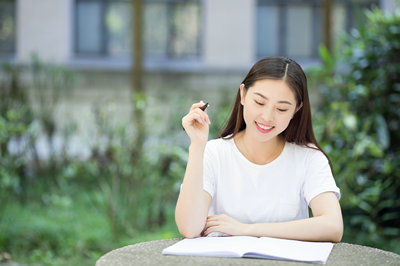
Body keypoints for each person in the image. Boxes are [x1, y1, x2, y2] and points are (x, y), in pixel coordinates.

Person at [176, 56, 343, 242]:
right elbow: (189, 228)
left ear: (296, 110)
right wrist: (198, 146)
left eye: (281, 109)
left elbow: (333, 226)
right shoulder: (213, 153)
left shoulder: (309, 158)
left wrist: (248, 229)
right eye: (260, 103)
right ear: (243, 95)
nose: (267, 117)